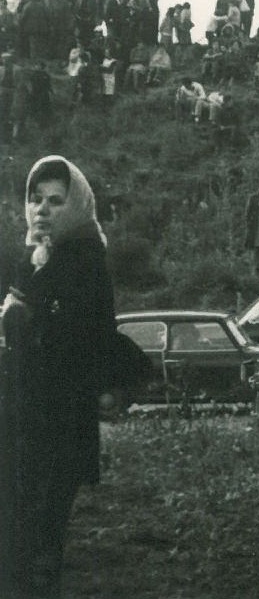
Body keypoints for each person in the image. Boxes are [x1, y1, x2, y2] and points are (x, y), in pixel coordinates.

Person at [1, 156, 118, 599]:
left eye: (55, 200)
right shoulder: (31, 254)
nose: (42, 210)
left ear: (76, 205)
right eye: (35, 199)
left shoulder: (85, 260)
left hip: (58, 417)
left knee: (39, 533)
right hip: (24, 411)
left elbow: (88, 341)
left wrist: (29, 315)